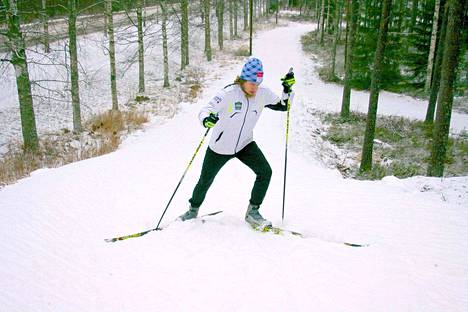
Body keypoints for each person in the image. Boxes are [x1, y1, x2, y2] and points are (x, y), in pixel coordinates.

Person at [179, 57, 295, 229]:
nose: (254, 87)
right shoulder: (228, 94)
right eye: (251, 83)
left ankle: (252, 212)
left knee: (265, 172)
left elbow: (284, 105)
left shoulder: (262, 93)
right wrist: (207, 119)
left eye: (257, 83)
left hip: (244, 144)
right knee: (205, 180)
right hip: (220, 147)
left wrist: (287, 89)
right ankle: (192, 210)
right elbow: (205, 110)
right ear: (242, 79)